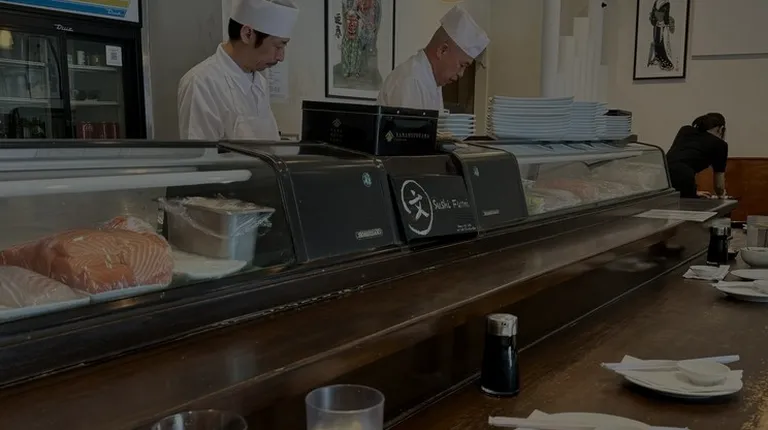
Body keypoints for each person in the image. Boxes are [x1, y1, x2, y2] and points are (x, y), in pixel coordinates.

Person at [177, 0, 299, 141]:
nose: (281, 57)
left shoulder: (259, 82)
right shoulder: (202, 83)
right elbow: (201, 153)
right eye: (278, 46)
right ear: (247, 34)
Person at [377, 5, 489, 111]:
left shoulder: (431, 79)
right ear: (442, 50)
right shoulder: (412, 80)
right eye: (461, 65)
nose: (461, 74)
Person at [666, 113, 728, 198]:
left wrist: (693, 192)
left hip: (664, 174)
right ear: (721, 129)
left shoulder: (685, 130)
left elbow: (679, 159)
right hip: (684, 176)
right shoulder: (720, 144)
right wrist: (722, 195)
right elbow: (719, 186)